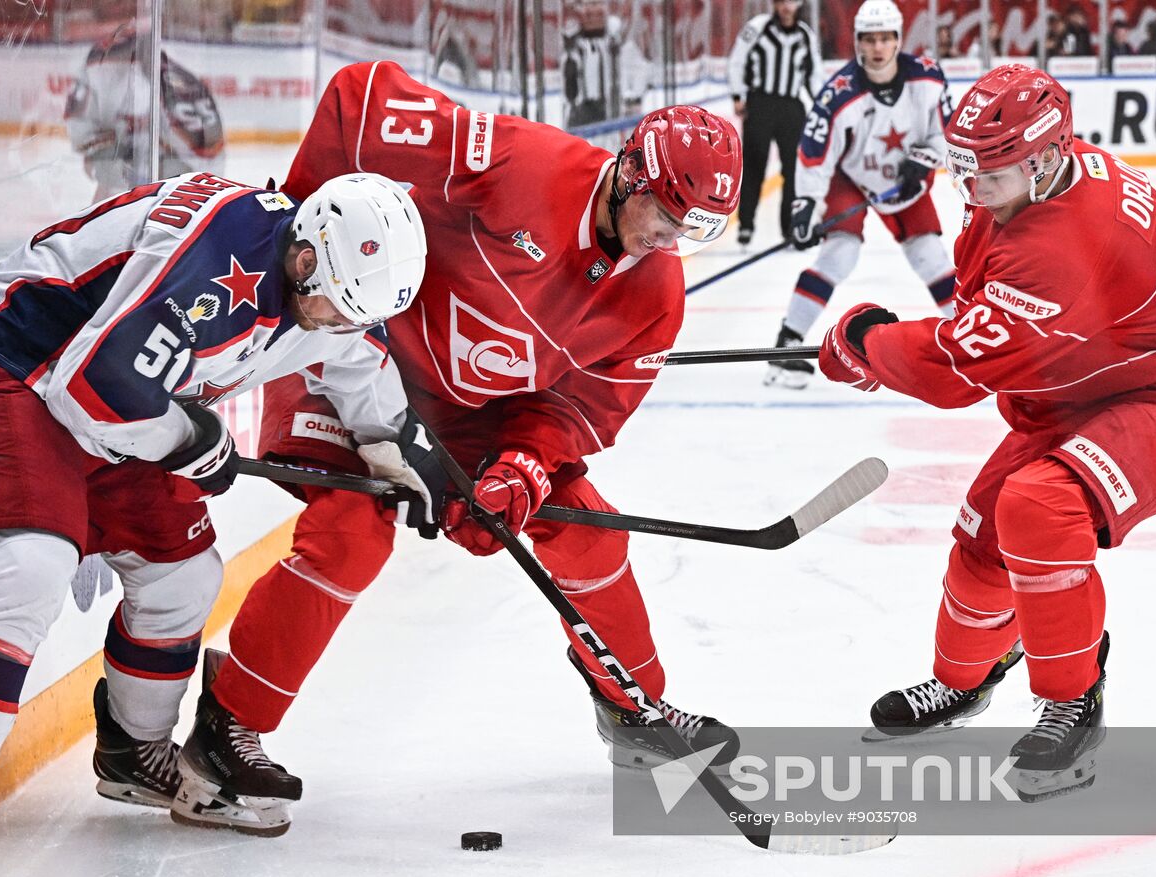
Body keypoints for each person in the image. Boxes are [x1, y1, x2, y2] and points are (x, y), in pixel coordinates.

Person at [166, 60, 745, 835]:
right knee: (349, 531)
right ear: (631, 173)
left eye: (695, 231)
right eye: (670, 216)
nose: (672, 242)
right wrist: (295, 242)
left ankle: (634, 706)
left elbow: (580, 407)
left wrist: (521, 468)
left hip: (470, 415)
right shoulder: (516, 164)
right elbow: (359, 97)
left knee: (584, 526)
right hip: (349, 357)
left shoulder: (656, 296)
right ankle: (224, 729)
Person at [0, 170, 430, 877]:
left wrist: (400, 455)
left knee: (184, 575)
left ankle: (133, 752)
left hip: (117, 403)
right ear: (305, 258)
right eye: (335, 304)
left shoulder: (321, 275)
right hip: (19, 370)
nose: (339, 321)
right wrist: (193, 441)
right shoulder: (216, 261)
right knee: (32, 560)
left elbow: (356, 355)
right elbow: (92, 387)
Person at [818, 65, 1156, 800]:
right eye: (965, 162)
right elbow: (981, 308)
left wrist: (869, 346)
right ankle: (965, 679)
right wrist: (896, 342)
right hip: (1096, 383)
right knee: (983, 534)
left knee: (1039, 506)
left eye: (988, 167)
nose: (970, 181)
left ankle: (1073, 702)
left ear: (1045, 158)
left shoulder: (1065, 242)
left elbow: (958, 371)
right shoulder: (1031, 184)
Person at [764, 0, 956, 390]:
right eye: (869, 39)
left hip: (905, 181)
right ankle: (786, 343)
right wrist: (804, 207)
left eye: (885, 38)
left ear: (898, 40)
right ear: (857, 43)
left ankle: (970, 342)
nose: (878, 48)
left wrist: (923, 158)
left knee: (931, 258)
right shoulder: (839, 92)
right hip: (851, 178)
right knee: (839, 254)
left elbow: (947, 132)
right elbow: (816, 153)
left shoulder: (929, 79)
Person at [65, 20, 226, 201]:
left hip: (177, 186)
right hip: (172, 185)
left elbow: (208, 154)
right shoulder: (109, 72)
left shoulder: (177, 88)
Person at [726, 0, 821, 246]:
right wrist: (738, 95)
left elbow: (814, 74)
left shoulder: (805, 35)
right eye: (781, 2)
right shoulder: (757, 27)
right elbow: (737, 61)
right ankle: (746, 224)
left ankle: (789, 227)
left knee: (794, 169)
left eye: (790, 2)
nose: (786, 7)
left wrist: (822, 106)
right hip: (760, 104)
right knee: (755, 164)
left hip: (791, 106)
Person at [562, 0, 650, 130]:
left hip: (615, 122)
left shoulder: (621, 42)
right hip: (583, 124)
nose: (592, 10)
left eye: (596, 3)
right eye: (587, 5)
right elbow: (568, 94)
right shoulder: (572, 47)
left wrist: (631, 100)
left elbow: (641, 73)